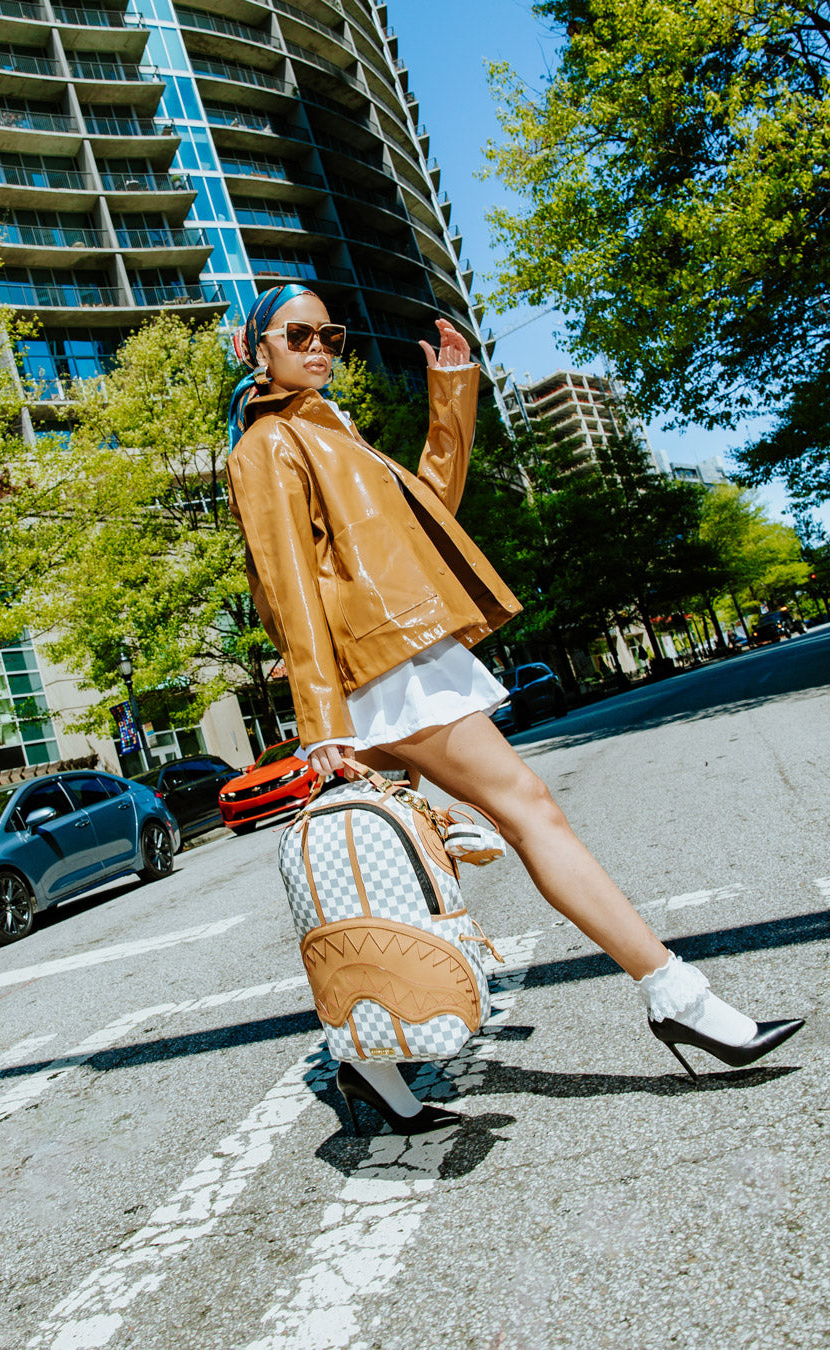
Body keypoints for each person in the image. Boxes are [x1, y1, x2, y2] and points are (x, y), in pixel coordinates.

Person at [225, 282, 803, 1134]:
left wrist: (451, 396)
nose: (320, 348)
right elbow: (288, 590)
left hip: (391, 663)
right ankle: (676, 994)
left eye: (331, 336)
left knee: (401, 868)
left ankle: (367, 1067)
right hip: (382, 671)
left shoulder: (328, 430)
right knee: (532, 813)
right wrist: (325, 727)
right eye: (299, 334)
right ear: (256, 351)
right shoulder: (268, 446)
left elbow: (425, 517)